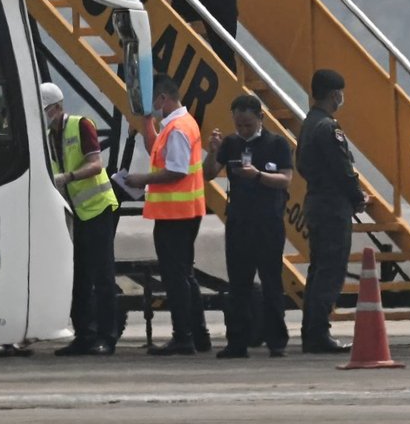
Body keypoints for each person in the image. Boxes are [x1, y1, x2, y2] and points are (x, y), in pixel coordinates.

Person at [116, 76, 210, 354]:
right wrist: (147, 125)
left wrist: (140, 179)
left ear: (162, 98)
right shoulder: (176, 125)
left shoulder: (179, 128)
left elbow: (177, 170)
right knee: (184, 275)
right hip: (180, 212)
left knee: (176, 277)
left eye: (153, 103)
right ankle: (198, 334)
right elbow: (159, 151)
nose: (153, 108)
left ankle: (183, 337)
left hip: (176, 214)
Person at [204, 94, 292, 358]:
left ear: (260, 119)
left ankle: (277, 340)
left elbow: (286, 179)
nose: (243, 130)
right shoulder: (230, 144)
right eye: (239, 125)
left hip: (268, 221)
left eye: (248, 125)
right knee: (239, 284)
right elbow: (207, 174)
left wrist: (259, 176)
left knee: (271, 281)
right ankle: (237, 341)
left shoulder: (277, 144)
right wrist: (212, 151)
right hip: (239, 222)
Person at [43, 83, 120, 357]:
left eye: (46, 112)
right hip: (74, 214)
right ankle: (84, 335)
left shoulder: (81, 125)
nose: (45, 117)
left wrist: (69, 177)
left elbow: (96, 164)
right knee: (78, 277)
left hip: (97, 209)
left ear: (58, 108)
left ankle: (106, 337)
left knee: (103, 276)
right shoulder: (46, 136)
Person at [296, 68, 365, 353]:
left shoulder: (309, 123)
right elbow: (342, 168)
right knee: (331, 270)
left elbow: (302, 164)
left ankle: (311, 331)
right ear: (335, 94)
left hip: (316, 201)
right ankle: (319, 332)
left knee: (318, 269)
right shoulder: (328, 127)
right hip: (332, 205)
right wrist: (356, 196)